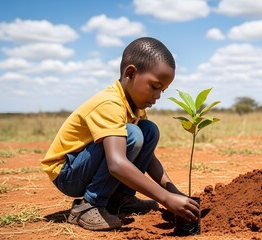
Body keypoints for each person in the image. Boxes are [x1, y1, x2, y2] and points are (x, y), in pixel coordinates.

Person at [41, 37, 199, 231]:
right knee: (132, 134)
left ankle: (120, 199)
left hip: (87, 167)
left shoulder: (135, 106)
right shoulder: (109, 103)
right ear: (130, 73)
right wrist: (166, 199)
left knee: (148, 131)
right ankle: (89, 206)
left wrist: (174, 191)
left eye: (162, 91)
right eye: (155, 87)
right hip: (68, 173)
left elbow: (150, 160)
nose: (157, 96)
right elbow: (116, 164)